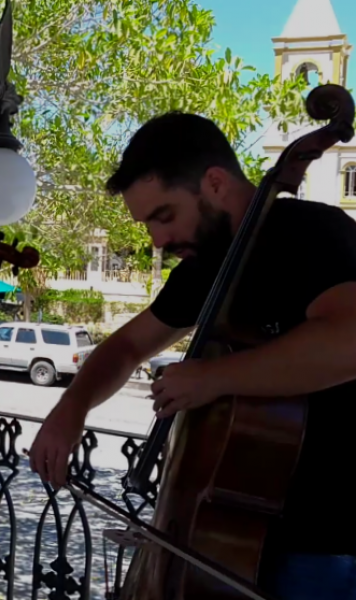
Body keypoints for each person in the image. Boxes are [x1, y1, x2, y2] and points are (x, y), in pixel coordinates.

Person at [28, 111, 356, 600]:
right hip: (226, 536)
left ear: (216, 183)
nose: (157, 241)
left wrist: (215, 377)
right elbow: (126, 346)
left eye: (164, 216)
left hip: (322, 544)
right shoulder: (206, 268)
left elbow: (348, 341)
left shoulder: (315, 233)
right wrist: (70, 408)